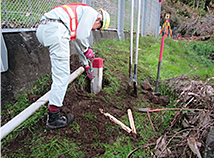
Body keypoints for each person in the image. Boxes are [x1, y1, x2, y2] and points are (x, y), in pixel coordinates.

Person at [36, 3, 110, 130]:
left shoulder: (80, 15)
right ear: (99, 20)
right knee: (62, 76)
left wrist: (86, 65)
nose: (94, 30)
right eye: (98, 28)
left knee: (59, 73)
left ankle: (53, 111)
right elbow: (82, 38)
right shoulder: (92, 13)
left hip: (44, 29)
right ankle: (53, 119)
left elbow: (77, 41)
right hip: (56, 31)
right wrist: (87, 50)